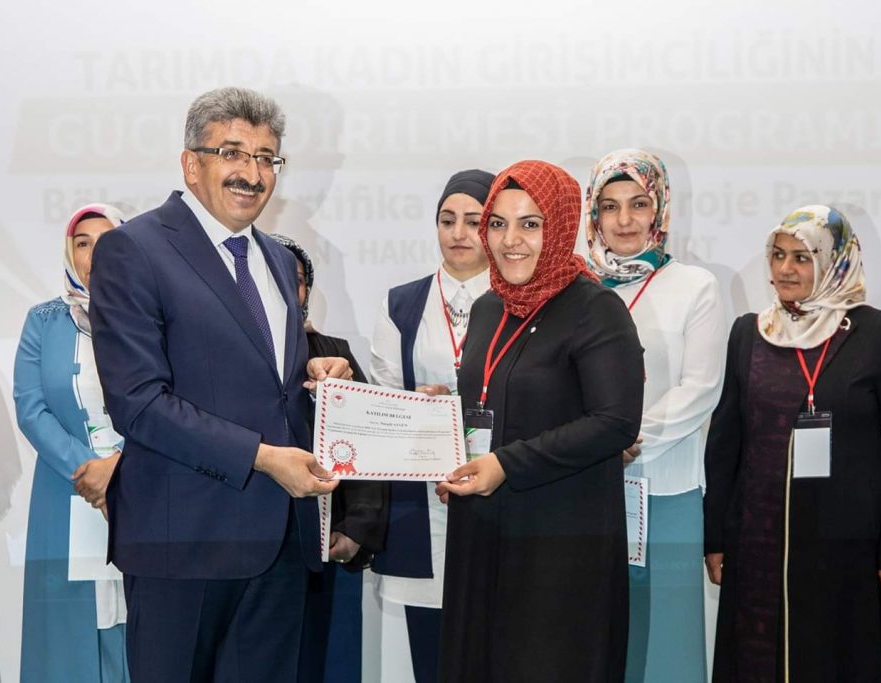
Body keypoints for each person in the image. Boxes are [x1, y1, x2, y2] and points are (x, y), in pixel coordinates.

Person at [88, 86, 351, 683]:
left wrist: (313, 376)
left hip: (280, 542)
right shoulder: (133, 249)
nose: (252, 174)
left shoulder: (277, 259)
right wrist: (264, 458)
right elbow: (138, 403)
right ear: (191, 163)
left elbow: (261, 380)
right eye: (232, 153)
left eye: (266, 158)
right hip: (183, 540)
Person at [437, 160, 644, 682]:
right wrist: (449, 444)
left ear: (559, 226)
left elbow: (615, 421)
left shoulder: (596, 309)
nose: (511, 241)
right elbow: (490, 401)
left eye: (530, 224)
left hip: (560, 541)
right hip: (481, 529)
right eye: (498, 223)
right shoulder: (488, 307)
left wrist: (505, 465)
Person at [704, 204, 881, 682]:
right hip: (757, 541)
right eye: (778, 255)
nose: (785, 269)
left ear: (834, 261)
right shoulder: (750, 333)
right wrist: (716, 537)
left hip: (848, 545)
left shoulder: (879, 334)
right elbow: (726, 443)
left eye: (802, 257)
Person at [583, 148, 725, 682]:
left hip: (666, 488)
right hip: (586, 489)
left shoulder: (695, 286)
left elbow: (700, 388)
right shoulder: (576, 289)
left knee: (667, 641)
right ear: (594, 214)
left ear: (659, 208)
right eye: (610, 206)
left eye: (638, 204)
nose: (624, 220)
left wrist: (623, 439)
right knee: (595, 635)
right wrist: (593, 446)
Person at [367, 168, 494, 682]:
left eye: (474, 221)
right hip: (423, 503)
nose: (458, 233)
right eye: (447, 220)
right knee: (433, 659)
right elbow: (385, 398)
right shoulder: (401, 303)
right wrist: (414, 407)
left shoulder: (521, 301)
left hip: (498, 496)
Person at [14, 203, 130, 683]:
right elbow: (31, 407)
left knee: (139, 621)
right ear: (70, 253)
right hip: (67, 490)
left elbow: (171, 402)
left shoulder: (156, 318)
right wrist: (90, 470)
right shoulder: (44, 320)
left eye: (108, 242)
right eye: (83, 243)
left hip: (139, 485)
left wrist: (120, 467)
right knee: (68, 631)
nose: (94, 254)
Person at [269, 232, 387, 683]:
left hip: (326, 545)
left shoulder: (334, 353)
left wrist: (356, 529)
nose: (288, 286)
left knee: (327, 665)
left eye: (297, 278)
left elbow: (367, 447)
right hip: (251, 548)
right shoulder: (223, 356)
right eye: (274, 274)